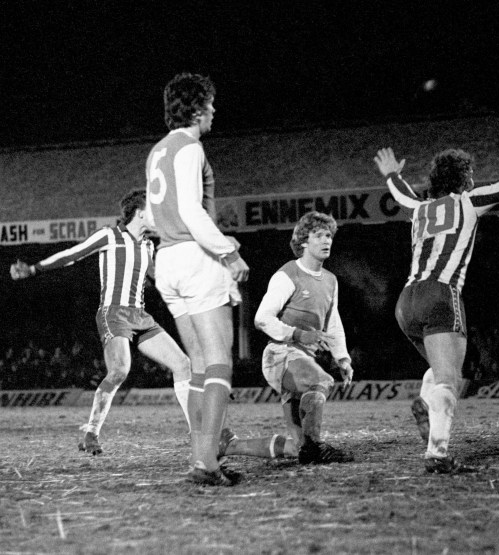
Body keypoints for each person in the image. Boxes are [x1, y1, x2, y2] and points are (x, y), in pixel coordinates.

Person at [373, 114, 499, 473]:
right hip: (441, 295)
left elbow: (401, 194)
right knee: (451, 380)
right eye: (470, 173)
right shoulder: (468, 202)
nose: (474, 178)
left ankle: (426, 404)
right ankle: (437, 455)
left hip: (406, 302)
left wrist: (392, 175)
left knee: (443, 373)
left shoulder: (419, 210)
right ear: (464, 178)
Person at [9, 190, 192, 455]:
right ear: (140, 213)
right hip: (113, 313)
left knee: (183, 364)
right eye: (154, 210)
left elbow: (160, 280)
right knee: (119, 371)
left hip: (139, 315)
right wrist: (35, 269)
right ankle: (91, 433)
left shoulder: (149, 246)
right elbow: (73, 254)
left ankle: (197, 432)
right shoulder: (110, 236)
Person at [145, 72, 250, 486]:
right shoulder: (191, 148)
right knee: (219, 358)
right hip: (194, 257)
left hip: (167, 260)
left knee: (197, 366)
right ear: (199, 107)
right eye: (211, 104)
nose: (214, 111)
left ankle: (201, 457)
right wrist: (229, 250)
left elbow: (155, 216)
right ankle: (207, 462)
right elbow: (192, 212)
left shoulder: (157, 151)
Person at [220, 212, 355, 464]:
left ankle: (229, 445)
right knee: (321, 381)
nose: (326, 241)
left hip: (304, 359)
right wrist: (300, 334)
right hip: (280, 355)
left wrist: (342, 358)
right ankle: (316, 447)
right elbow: (262, 318)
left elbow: (333, 323)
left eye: (329, 236)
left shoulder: (330, 281)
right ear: (304, 241)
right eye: (318, 236)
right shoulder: (287, 274)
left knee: (297, 448)